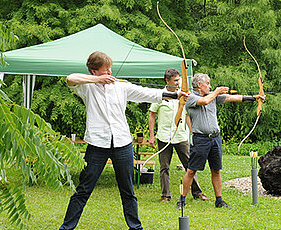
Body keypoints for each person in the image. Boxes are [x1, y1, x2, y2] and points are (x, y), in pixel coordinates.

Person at [60, 51, 189, 230]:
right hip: (97, 144)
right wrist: (97, 81)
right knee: (84, 189)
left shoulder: (120, 86)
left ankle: (135, 227)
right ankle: (66, 227)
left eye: (110, 69)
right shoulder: (86, 87)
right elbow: (70, 78)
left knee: (127, 190)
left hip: (122, 144)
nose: (110, 73)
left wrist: (176, 95)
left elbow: (147, 93)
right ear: (93, 71)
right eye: (105, 70)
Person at [176, 73, 265, 210]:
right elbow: (204, 101)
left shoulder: (213, 96)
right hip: (200, 139)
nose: (210, 86)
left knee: (216, 170)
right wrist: (216, 91)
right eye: (208, 83)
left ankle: (219, 200)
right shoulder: (190, 98)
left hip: (215, 139)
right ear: (199, 85)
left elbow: (231, 97)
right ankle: (182, 200)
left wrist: (254, 98)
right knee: (191, 171)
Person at [148, 68, 209, 202]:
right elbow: (152, 116)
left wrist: (192, 131)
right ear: (167, 80)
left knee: (190, 165)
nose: (177, 83)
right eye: (175, 80)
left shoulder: (184, 95)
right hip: (164, 137)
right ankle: (165, 195)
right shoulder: (160, 95)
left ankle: (197, 192)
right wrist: (152, 136)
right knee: (164, 167)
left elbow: (187, 115)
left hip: (181, 136)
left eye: (179, 80)